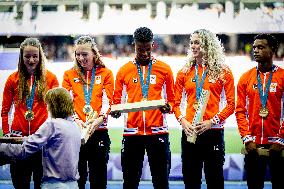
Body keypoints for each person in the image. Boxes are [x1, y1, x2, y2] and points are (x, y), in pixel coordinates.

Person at [110, 26, 175, 189]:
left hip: (158, 133)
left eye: (148, 49)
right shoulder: (124, 71)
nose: (145, 53)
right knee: (130, 183)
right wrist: (116, 111)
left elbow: (173, 100)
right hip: (132, 134)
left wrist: (168, 107)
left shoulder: (165, 69)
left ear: (153, 45)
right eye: (140, 49)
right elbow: (115, 102)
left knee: (161, 183)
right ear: (134, 45)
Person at [173, 29, 235, 189]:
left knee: (214, 180)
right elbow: (175, 103)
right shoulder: (184, 72)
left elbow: (231, 105)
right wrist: (183, 121)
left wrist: (212, 122)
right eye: (192, 42)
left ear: (208, 45)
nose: (193, 46)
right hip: (190, 132)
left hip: (213, 132)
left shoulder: (223, 72)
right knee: (191, 181)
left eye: (197, 42)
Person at [1, 37, 59, 189]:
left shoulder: (51, 79)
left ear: (40, 57)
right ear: (21, 57)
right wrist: (7, 134)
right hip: (18, 142)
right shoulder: (12, 80)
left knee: (43, 185)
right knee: (20, 185)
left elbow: (57, 111)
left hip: (42, 142)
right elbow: (5, 111)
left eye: (35, 56)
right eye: (27, 56)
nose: (31, 60)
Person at [0, 87, 81, 189]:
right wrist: (28, 139)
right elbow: (56, 142)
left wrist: (2, 147)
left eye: (47, 104)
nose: (47, 108)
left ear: (53, 105)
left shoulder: (52, 124)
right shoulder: (74, 126)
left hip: (54, 185)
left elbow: (23, 151)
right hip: (73, 185)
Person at [62, 35, 114, 189]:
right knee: (77, 180)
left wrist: (99, 119)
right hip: (76, 132)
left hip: (98, 131)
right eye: (77, 54)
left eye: (84, 54)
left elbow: (108, 101)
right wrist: (76, 120)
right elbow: (66, 102)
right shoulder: (69, 74)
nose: (80, 58)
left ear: (93, 53)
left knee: (98, 181)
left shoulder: (106, 73)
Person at [236, 34, 284, 189]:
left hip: (278, 147)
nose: (255, 50)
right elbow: (240, 111)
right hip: (253, 147)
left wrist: (281, 140)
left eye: (261, 47)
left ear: (273, 50)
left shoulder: (283, 77)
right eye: (254, 47)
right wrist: (247, 139)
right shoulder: (245, 78)